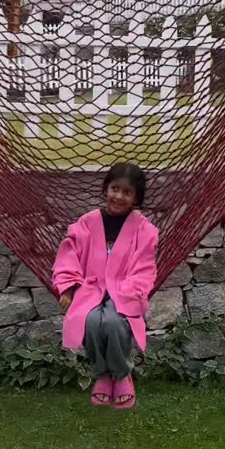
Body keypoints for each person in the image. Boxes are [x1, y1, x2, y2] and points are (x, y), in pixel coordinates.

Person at [52, 162, 158, 409]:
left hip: (125, 290)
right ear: (106, 189)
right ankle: (103, 375)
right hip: (90, 288)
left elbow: (144, 266)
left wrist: (132, 292)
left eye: (127, 192)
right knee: (89, 321)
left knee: (114, 322)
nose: (119, 196)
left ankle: (121, 376)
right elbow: (69, 254)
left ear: (136, 197)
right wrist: (68, 287)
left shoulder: (143, 229)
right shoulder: (87, 222)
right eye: (114, 189)